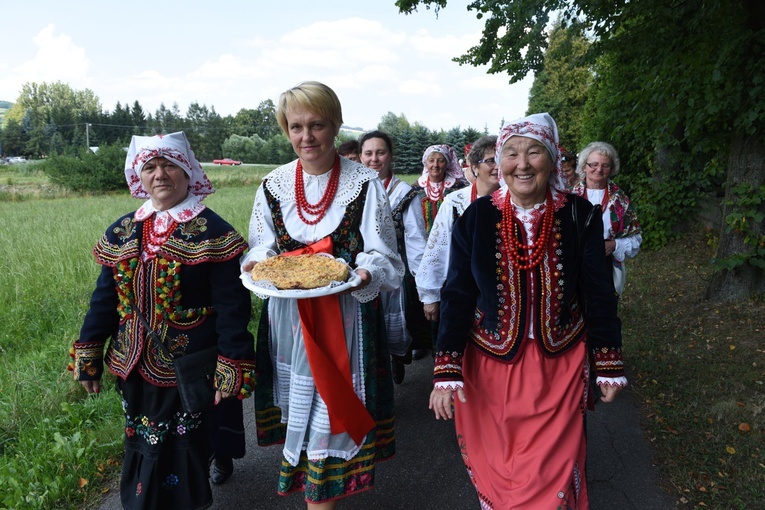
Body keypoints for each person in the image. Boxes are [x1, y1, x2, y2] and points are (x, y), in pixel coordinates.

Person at [429, 113, 627, 509]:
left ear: (552, 159)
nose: (522, 163)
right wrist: (445, 369)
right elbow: (458, 294)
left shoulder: (580, 215)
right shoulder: (476, 217)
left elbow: (599, 293)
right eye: (511, 153)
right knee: (501, 469)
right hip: (489, 365)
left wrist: (608, 362)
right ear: (498, 162)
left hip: (560, 364)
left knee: (548, 474)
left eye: (534, 152)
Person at [68, 132, 256, 510]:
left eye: (170, 165)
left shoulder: (214, 232)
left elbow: (233, 307)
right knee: (143, 439)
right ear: (139, 177)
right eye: (150, 167)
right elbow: (105, 299)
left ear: (188, 172)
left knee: (183, 446)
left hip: (188, 365)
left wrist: (232, 364)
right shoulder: (123, 230)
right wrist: (88, 355)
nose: (160, 174)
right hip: (133, 363)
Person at [242, 81, 404, 509]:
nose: (306, 137)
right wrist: (255, 262)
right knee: (304, 411)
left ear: (334, 126)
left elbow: (384, 252)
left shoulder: (364, 183)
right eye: (296, 127)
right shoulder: (273, 185)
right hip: (289, 322)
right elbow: (262, 245)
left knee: (329, 420)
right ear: (286, 130)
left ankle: (320, 495)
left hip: (345, 317)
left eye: (317, 125)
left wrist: (365, 269)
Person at [358, 130, 427, 384]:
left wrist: (422, 282)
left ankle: (397, 357)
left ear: (390, 156)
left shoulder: (405, 194)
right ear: (360, 156)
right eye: (368, 153)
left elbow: (417, 239)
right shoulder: (353, 191)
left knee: (394, 322)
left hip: (395, 270)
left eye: (380, 152)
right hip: (360, 270)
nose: (374, 159)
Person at [416, 135, 500, 323]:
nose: (498, 167)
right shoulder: (456, 202)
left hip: (500, 292)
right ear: (474, 167)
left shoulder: (514, 200)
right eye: (490, 161)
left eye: (502, 160)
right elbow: (438, 248)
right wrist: (430, 294)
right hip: (461, 290)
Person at [408, 144, 469, 358]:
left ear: (448, 163)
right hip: (420, 251)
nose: (435, 164)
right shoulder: (415, 189)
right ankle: (424, 344)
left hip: (452, 252)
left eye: (440, 160)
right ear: (425, 163)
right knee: (424, 299)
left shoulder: (458, 189)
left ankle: (448, 351)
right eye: (431, 160)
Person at [572, 141, 642, 296]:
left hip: (606, 266)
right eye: (593, 164)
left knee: (604, 310)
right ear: (584, 166)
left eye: (605, 165)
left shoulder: (620, 200)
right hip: (574, 265)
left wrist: (614, 244)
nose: (599, 169)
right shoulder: (570, 197)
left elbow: (636, 239)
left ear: (611, 169)